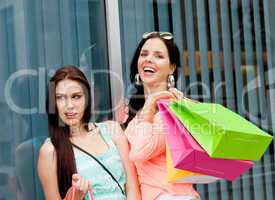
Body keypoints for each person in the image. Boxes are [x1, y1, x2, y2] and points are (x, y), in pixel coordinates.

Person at [37, 66, 140, 200]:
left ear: (87, 99)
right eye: (61, 98)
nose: (69, 105)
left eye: (76, 96)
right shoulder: (50, 150)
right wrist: (75, 196)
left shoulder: (111, 130)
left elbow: (132, 187)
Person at [123, 32, 200, 200]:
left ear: (171, 67)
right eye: (144, 54)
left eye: (158, 56)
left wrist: (151, 104)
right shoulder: (135, 115)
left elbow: (139, 153)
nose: (149, 59)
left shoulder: (174, 109)